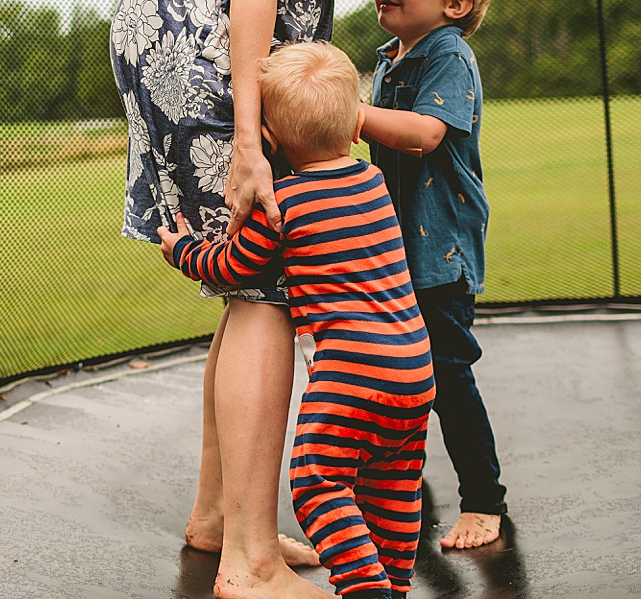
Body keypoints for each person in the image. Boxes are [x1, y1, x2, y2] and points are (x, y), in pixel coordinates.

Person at [112, 0, 615, 599]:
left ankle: (222, 518)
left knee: (258, 284)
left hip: (252, 27)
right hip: (212, 21)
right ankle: (251, 562)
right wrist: (252, 142)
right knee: (268, 283)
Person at [158, 42, 435, 597]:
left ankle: (365, 590)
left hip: (351, 375)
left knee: (318, 482)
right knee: (394, 487)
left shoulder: (283, 202)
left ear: (272, 141)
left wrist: (183, 249)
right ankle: (394, 586)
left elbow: (233, 265)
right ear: (355, 128)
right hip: (413, 365)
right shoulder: (374, 183)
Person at [357, 0, 506, 550]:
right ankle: (400, 493)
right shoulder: (390, 61)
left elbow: (423, 135)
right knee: (394, 374)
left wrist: (343, 111)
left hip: (437, 256)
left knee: (446, 376)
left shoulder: (447, 53)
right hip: (394, 256)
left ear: (456, 5)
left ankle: (483, 500)